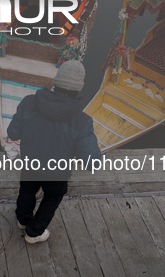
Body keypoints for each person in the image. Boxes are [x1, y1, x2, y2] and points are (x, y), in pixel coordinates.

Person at [7, 60, 101, 244]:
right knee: (52, 197)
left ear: (56, 82)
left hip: (30, 163)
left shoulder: (29, 102)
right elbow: (93, 161)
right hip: (57, 172)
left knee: (27, 189)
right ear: (78, 89)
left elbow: (12, 132)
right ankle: (34, 233)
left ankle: (23, 220)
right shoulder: (82, 121)